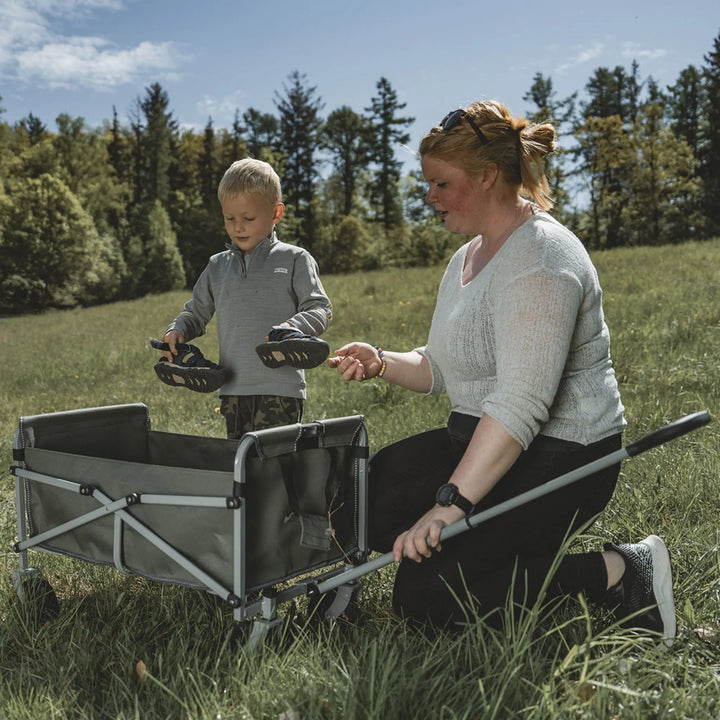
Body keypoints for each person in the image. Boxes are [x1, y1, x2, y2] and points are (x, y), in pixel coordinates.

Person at [328, 101, 676, 644]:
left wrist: (449, 509)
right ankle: (502, 548)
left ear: (487, 176)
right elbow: (442, 366)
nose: (429, 197)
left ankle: (622, 571)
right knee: (357, 501)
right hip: (482, 435)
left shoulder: (542, 257)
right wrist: (380, 359)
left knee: (425, 597)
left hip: (565, 454)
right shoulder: (466, 256)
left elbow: (520, 402)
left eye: (441, 184)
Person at [161, 158, 333, 437]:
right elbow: (196, 311)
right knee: (241, 468)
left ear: (276, 214)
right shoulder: (217, 266)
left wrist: (293, 329)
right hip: (232, 388)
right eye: (230, 218)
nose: (238, 227)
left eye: (248, 219)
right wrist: (178, 329)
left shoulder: (295, 259)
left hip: (281, 390)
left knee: (275, 468)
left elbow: (320, 309)